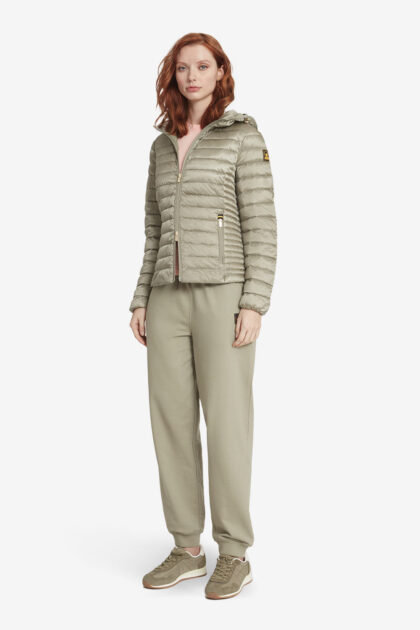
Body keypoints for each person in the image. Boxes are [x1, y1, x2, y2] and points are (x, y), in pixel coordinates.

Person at [129, 32, 277, 600]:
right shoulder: (162, 145)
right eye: (183, 67)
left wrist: (254, 301)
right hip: (167, 299)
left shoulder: (243, 136)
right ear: (173, 75)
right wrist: (141, 297)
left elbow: (261, 225)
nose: (192, 76)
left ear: (220, 73)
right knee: (170, 423)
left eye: (203, 66)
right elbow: (153, 230)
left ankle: (234, 552)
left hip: (223, 295)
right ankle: (187, 549)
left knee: (228, 424)